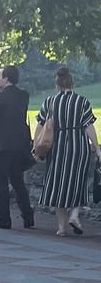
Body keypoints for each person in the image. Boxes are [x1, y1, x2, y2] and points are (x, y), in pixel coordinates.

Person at [36, 67, 100, 236]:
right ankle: (74, 214)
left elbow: (41, 125)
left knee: (58, 184)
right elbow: (89, 126)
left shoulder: (49, 102)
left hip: (57, 147)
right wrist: (98, 148)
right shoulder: (82, 102)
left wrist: (36, 146)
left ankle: (62, 227)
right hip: (78, 146)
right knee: (78, 182)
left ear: (57, 84)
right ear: (73, 83)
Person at [0, 66, 35, 229]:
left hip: (3, 145)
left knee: (0, 182)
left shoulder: (0, 97)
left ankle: (3, 218)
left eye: (0, 77)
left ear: (6, 78)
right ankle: (28, 215)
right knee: (17, 181)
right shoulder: (23, 96)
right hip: (20, 145)